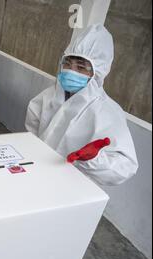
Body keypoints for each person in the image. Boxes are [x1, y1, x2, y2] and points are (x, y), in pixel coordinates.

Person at [25, 24, 138, 186]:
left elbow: (125, 167)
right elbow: (32, 130)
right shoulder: (49, 96)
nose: (71, 71)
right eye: (68, 64)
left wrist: (94, 159)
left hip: (73, 186)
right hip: (36, 173)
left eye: (81, 67)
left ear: (97, 72)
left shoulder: (107, 111)